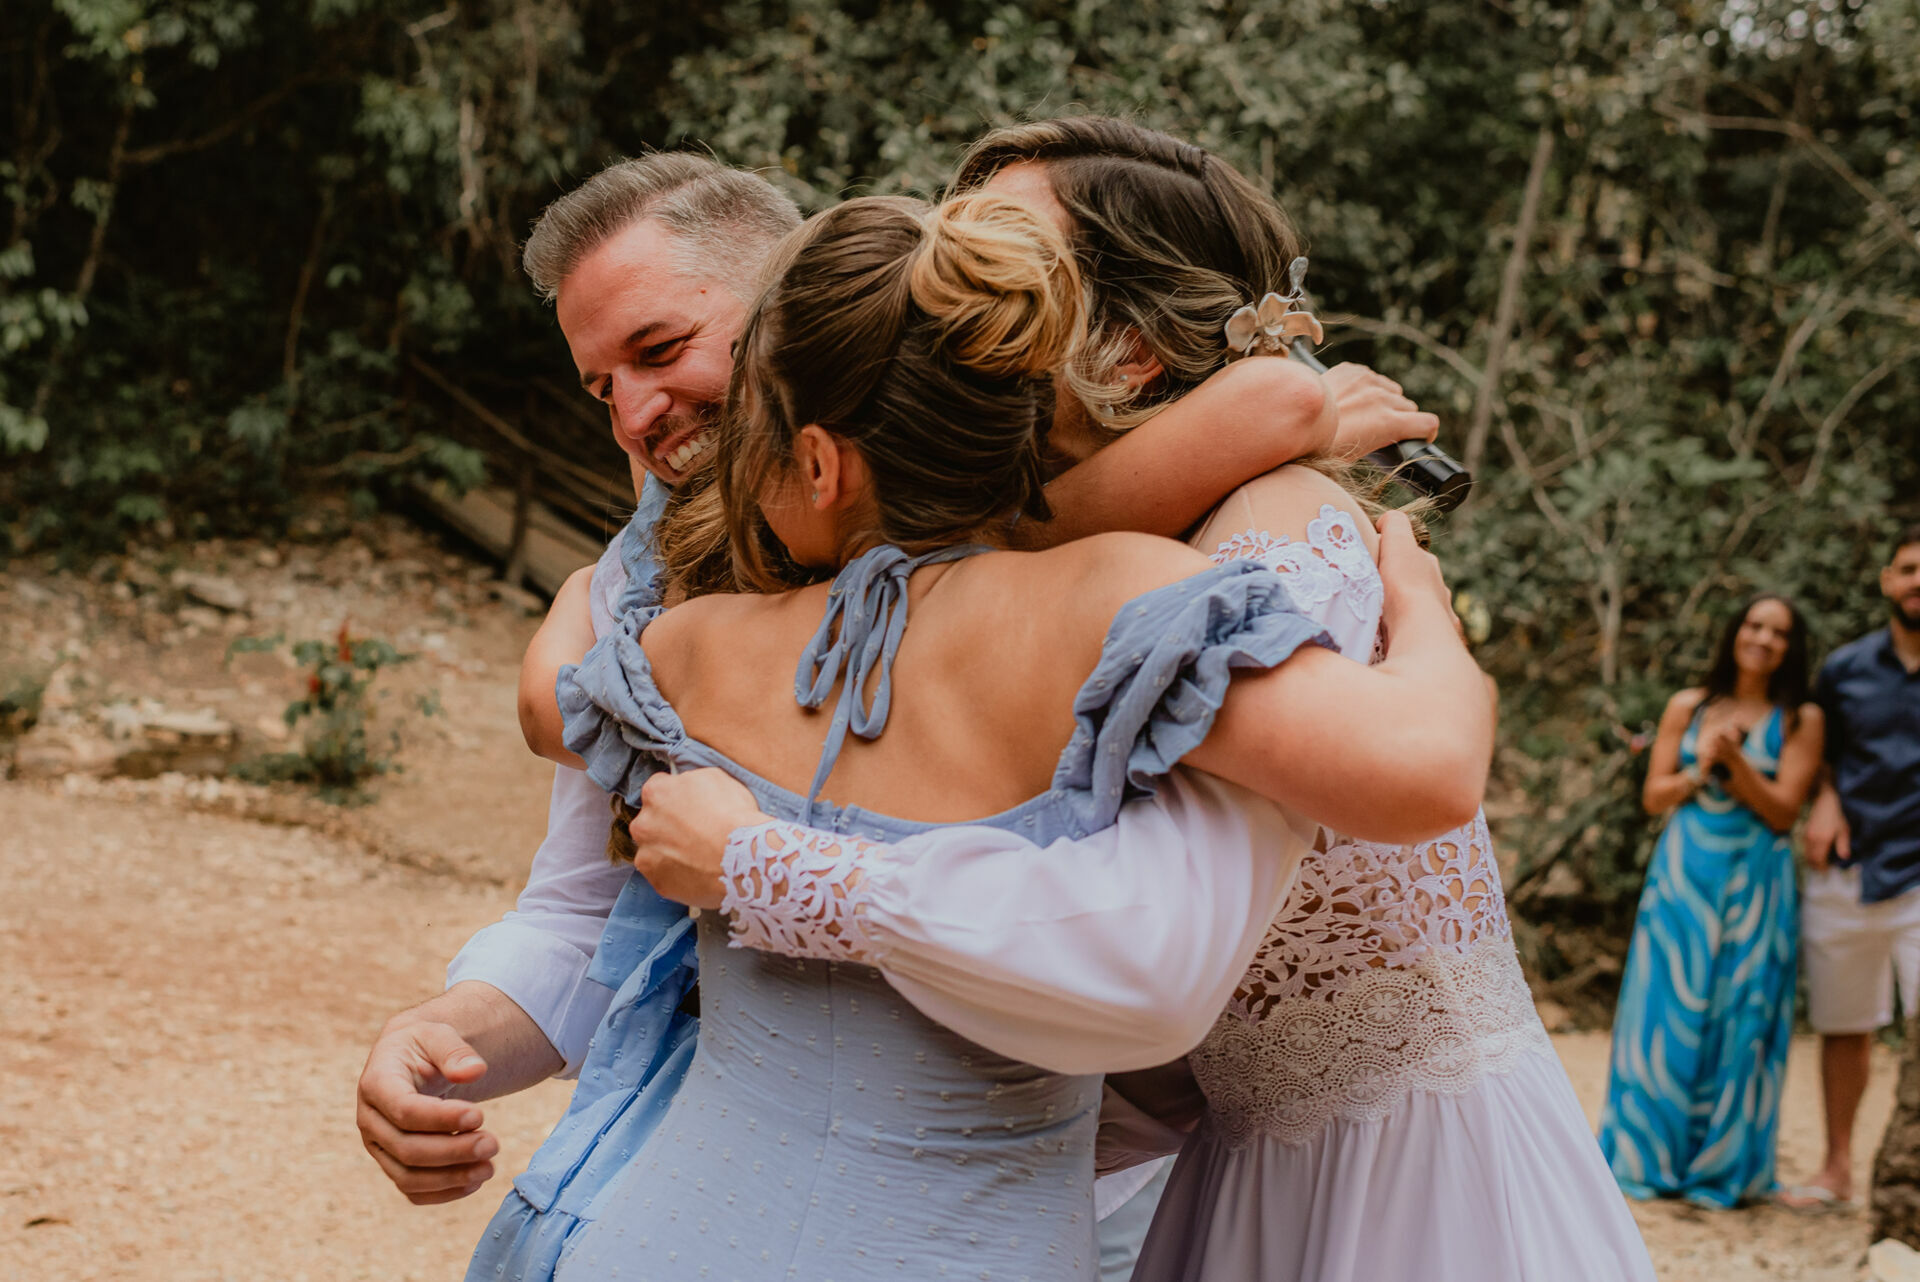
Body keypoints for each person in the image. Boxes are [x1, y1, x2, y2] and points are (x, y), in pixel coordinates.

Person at [352, 147, 1435, 1265]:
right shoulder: (643, 587)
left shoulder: (1108, 546)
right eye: (599, 386)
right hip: (670, 1177)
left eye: (661, 350)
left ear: (789, 303)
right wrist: (440, 1028)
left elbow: (1151, 957)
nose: (632, 414)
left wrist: (763, 863)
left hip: (1085, 1197)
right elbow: (587, 914)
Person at [621, 117, 1658, 1282]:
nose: (960, 277)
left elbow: (1391, 783)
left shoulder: (1262, 528)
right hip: (1230, 1157)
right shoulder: (1073, 564)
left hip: (1396, 1177)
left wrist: (1435, 634)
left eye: (1008, 248)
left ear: (1129, 357)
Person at [1599, 592, 1824, 1207]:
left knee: (1742, 1013)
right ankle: (1648, 1155)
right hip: (1685, 875)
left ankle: (1722, 1167)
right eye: (1754, 624)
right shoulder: (1689, 705)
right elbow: (1655, 795)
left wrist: (1736, 763)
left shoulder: (1801, 718)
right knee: (1665, 1008)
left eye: (1779, 632)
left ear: (1790, 647)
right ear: (1734, 631)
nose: (1763, 639)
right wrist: (1705, 769)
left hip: (1756, 879)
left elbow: (1783, 812)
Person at [1783, 526, 1920, 1209]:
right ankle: (1837, 1169)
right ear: (1887, 580)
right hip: (1847, 866)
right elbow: (1822, 752)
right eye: (1909, 568)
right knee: (1845, 1026)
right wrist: (1827, 799)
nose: (1919, 581)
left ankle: (1909, 1179)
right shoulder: (1845, 669)